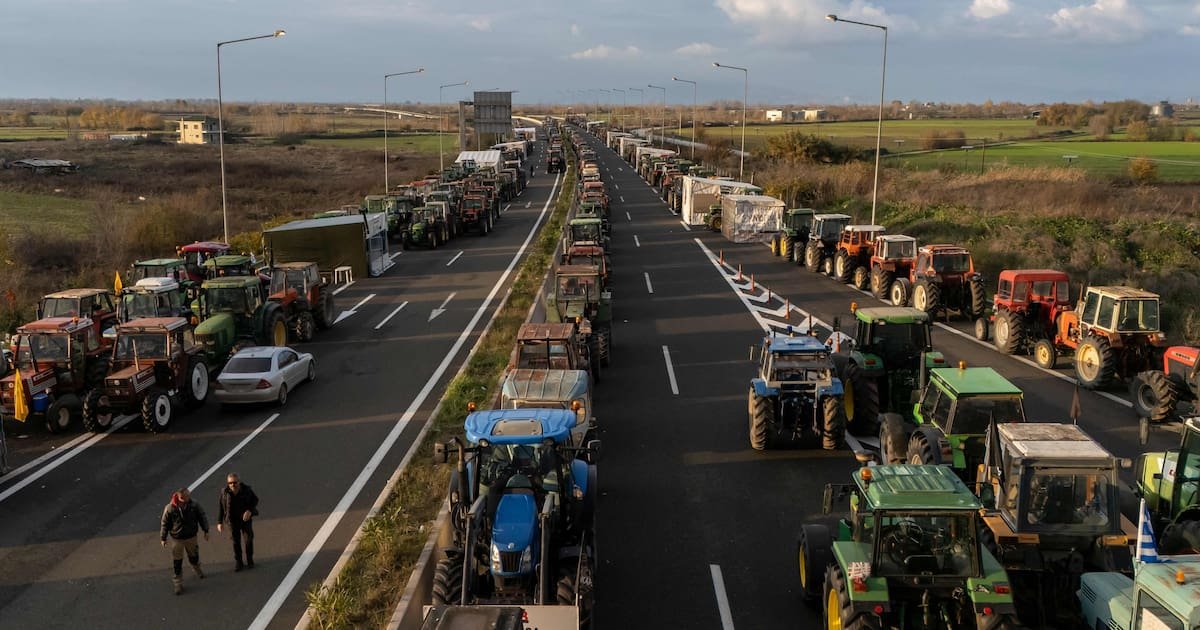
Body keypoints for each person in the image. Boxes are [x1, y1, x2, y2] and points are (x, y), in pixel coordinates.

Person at [160, 488, 209, 595]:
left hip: (191, 537)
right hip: (177, 539)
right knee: (177, 562)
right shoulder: (170, 508)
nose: (188, 498)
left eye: (188, 496)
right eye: (185, 497)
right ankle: (178, 583)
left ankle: (196, 568)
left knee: (194, 556)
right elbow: (165, 523)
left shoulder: (194, 505)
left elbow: (202, 516)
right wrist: (163, 537)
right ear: (179, 497)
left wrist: (206, 530)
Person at [217, 472, 259, 571]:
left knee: (248, 540)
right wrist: (220, 522)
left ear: (239, 482)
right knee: (236, 542)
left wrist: (249, 511)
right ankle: (239, 562)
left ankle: (250, 560)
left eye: (234, 482)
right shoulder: (224, 493)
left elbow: (255, 500)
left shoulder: (247, 490)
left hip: (245, 520)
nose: (232, 485)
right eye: (230, 483)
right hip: (232, 522)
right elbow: (221, 507)